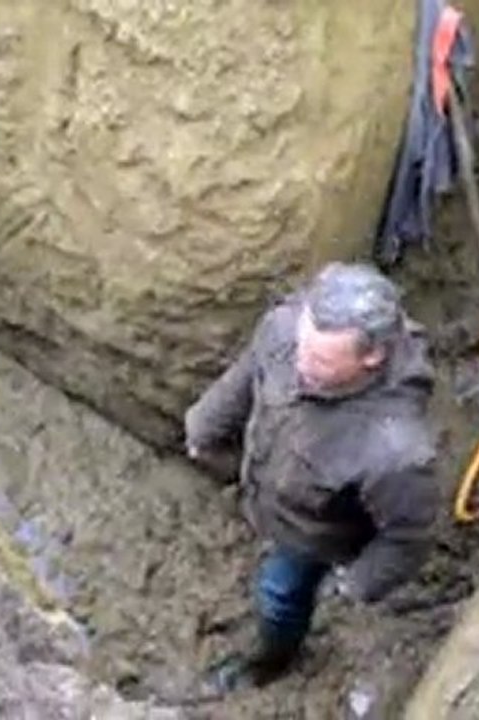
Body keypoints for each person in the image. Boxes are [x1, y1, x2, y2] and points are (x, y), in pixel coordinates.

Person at [184, 262, 441, 693]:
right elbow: (253, 369)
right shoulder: (288, 329)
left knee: (278, 595)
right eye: (301, 345)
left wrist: (353, 584)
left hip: (313, 535)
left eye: (319, 360)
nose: (300, 363)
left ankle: (270, 662)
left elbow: (409, 538)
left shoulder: (394, 453)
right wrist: (204, 426)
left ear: (372, 357)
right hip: (269, 475)